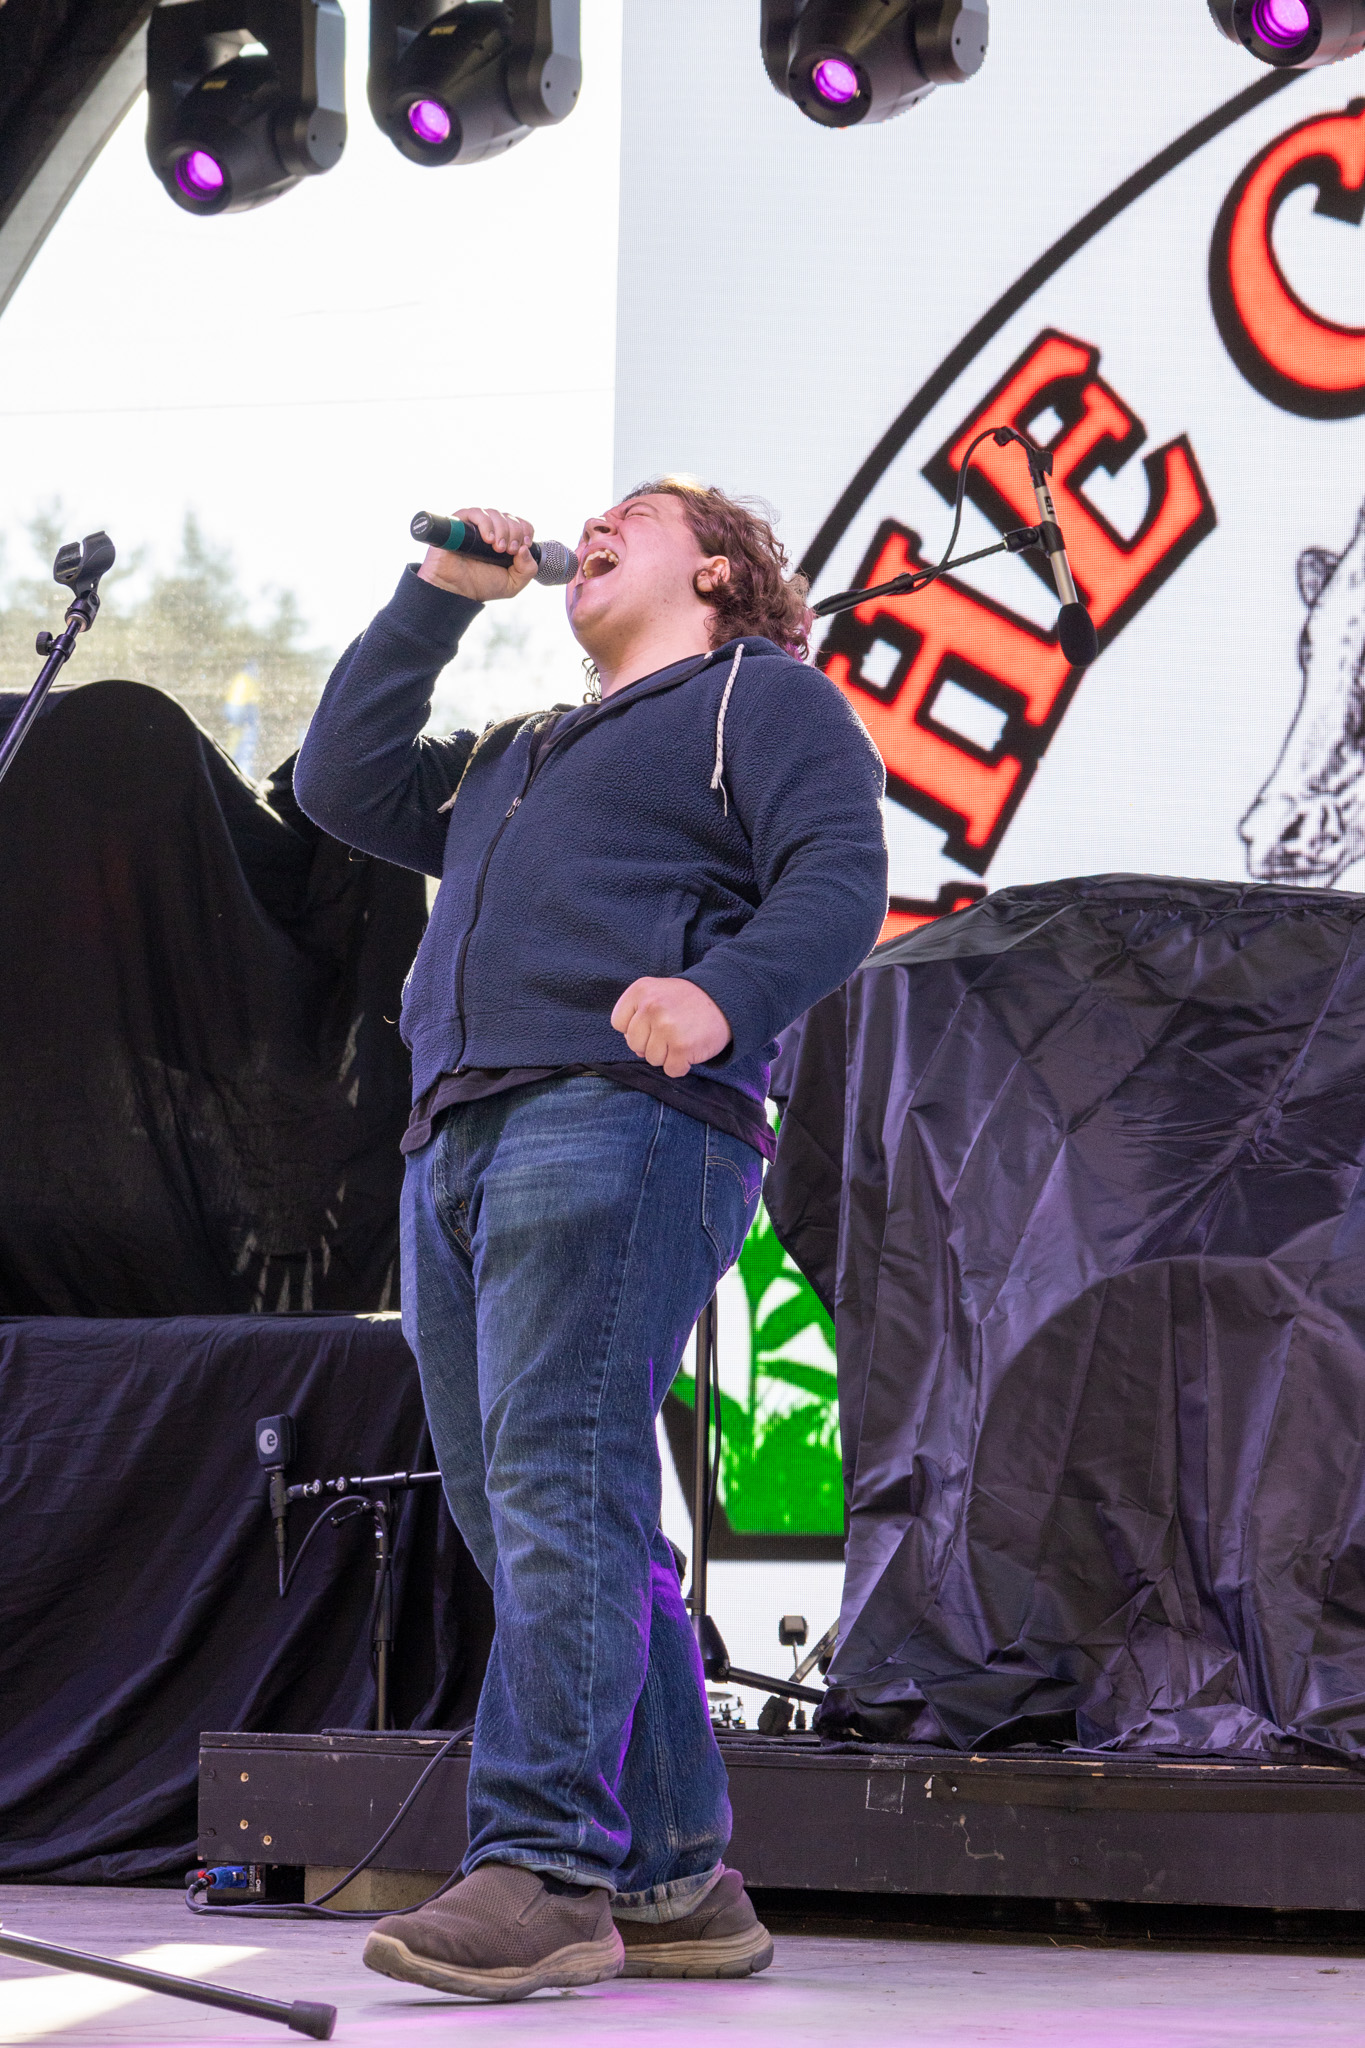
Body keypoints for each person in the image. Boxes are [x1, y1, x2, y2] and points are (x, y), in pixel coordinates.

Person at [292, 478, 888, 2002]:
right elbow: (339, 782)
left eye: (638, 513)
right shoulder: (519, 745)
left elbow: (838, 880)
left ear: (719, 571)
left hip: (617, 1111)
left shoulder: (761, 699)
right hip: (456, 1132)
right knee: (530, 1510)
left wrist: (723, 995)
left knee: (557, 1485)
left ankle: (546, 1870)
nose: (592, 530)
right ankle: (676, 1878)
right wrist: (438, 599)